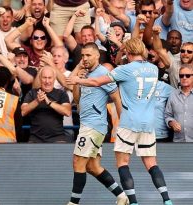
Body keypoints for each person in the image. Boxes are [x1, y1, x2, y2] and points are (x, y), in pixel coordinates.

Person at [70, 38, 173, 205]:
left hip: (129, 121)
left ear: (128, 52)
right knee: (152, 164)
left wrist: (77, 80)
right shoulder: (154, 69)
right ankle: (167, 200)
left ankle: (132, 202)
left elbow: (97, 81)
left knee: (122, 163)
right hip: (148, 123)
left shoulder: (125, 69)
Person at [65, 42, 128, 205]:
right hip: (87, 125)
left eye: (88, 55)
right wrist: (79, 77)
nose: (84, 58)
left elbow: (116, 98)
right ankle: (121, 196)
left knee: (77, 162)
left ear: (97, 55)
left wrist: (123, 123)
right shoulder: (85, 74)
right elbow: (76, 98)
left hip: (94, 125)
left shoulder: (103, 73)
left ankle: (73, 203)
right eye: (82, 56)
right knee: (92, 166)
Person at [21, 66, 71, 142]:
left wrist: (49, 103)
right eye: (44, 78)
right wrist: (37, 101)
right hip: (35, 138)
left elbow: (67, 112)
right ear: (40, 78)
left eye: (49, 78)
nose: (47, 81)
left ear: (54, 79)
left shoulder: (61, 93)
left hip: (57, 138)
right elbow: (23, 112)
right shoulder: (32, 93)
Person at [165, 64, 193, 142]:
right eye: (181, 76)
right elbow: (167, 115)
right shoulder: (173, 95)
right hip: (178, 142)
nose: (184, 78)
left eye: (187, 75)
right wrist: (171, 122)